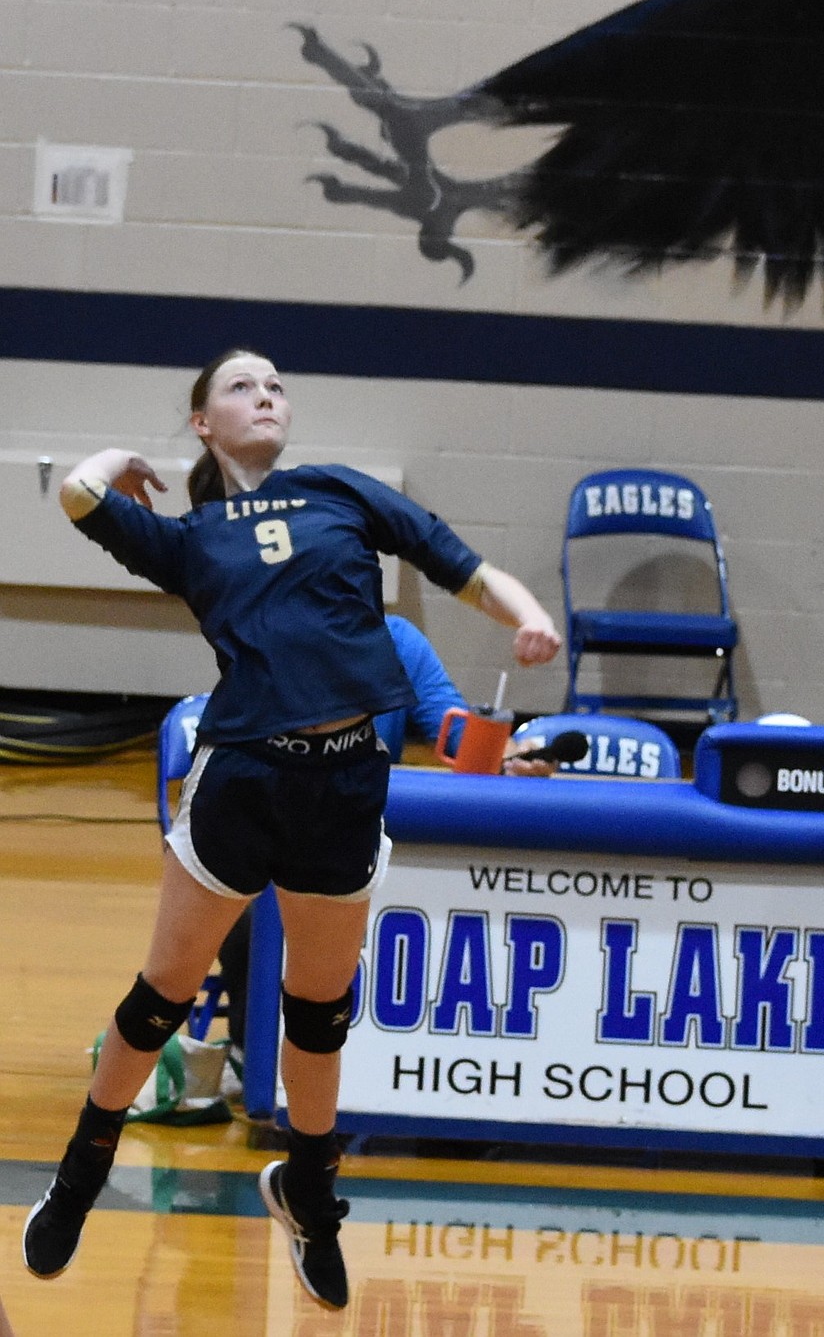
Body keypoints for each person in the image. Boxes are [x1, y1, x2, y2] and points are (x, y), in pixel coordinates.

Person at [22, 349, 561, 1311]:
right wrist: (121, 460)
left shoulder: (339, 493)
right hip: (244, 776)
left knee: (319, 1015)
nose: (265, 394)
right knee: (160, 998)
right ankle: (78, 1174)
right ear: (203, 423)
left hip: (346, 781)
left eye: (275, 384)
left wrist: (527, 616)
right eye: (241, 385)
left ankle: (309, 1192)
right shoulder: (191, 538)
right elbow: (77, 495)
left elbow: (459, 564)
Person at [214, 611, 554, 1055]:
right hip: (273, 841)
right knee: (246, 919)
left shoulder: (398, 641)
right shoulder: (271, 628)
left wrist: (507, 755)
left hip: (364, 849)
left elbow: (453, 731)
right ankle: (253, 1057)